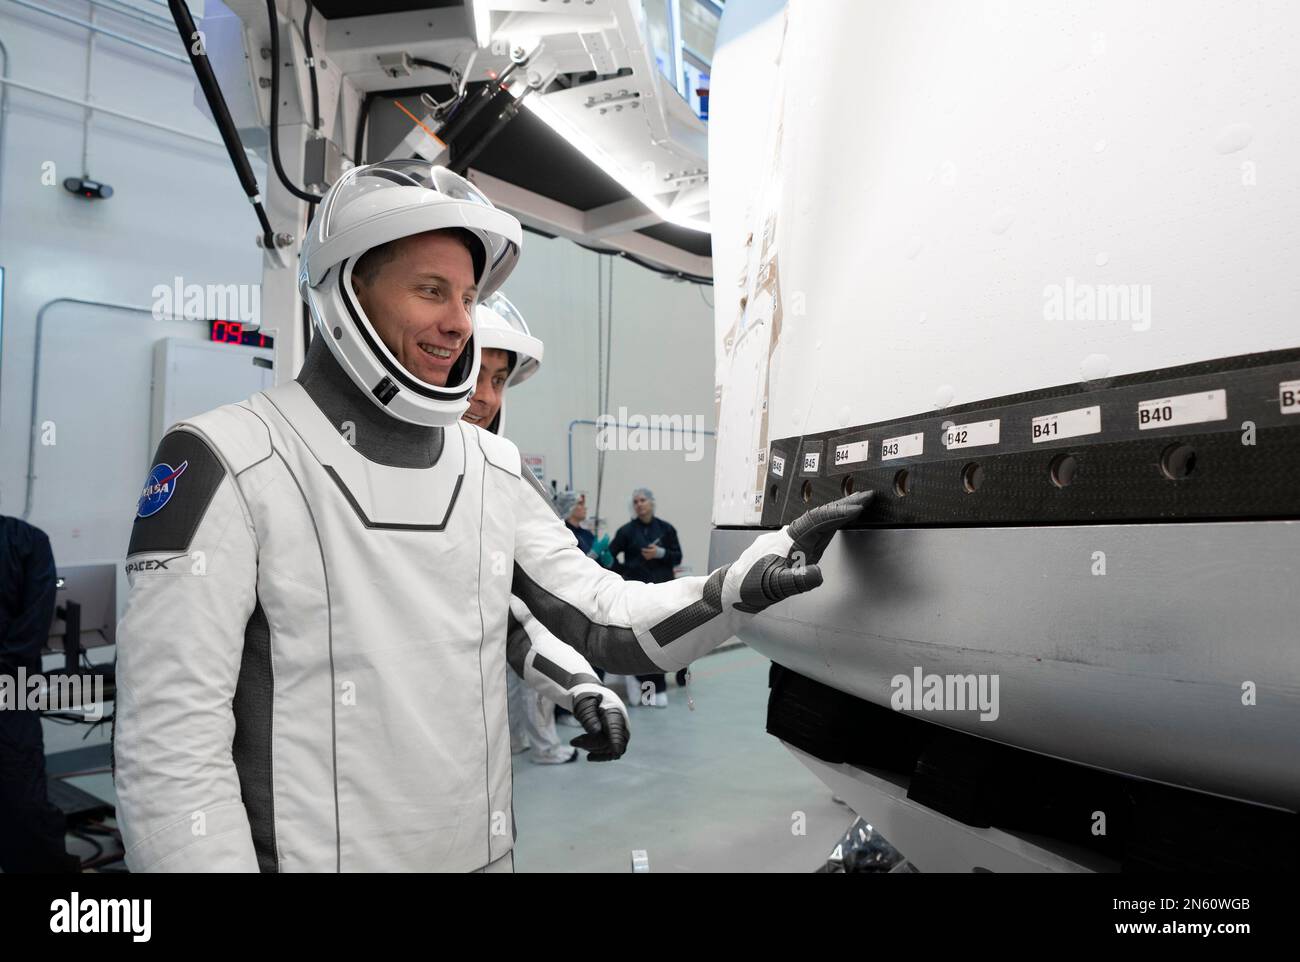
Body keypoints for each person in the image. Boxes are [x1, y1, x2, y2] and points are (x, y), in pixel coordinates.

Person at [112, 159, 872, 873]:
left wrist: (739, 586)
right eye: (430, 291)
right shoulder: (228, 457)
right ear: (346, 291)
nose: (460, 323)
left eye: (468, 298)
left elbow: (604, 615)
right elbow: (170, 750)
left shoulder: (491, 468)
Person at [467, 292, 626, 765]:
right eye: (473, 374)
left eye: (498, 381)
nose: (486, 398)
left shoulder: (497, 478)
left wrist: (584, 687)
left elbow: (521, 623)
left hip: (475, 785)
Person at [0, 515, 77, 873]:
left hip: (13, 691)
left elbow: (33, 623)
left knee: (22, 799)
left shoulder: (27, 541)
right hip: (13, 689)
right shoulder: (28, 540)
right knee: (21, 793)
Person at [608, 488, 682, 707]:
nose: (639, 504)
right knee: (640, 640)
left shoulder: (666, 530)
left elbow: (677, 557)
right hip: (637, 595)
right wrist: (624, 572)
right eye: (636, 501)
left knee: (660, 641)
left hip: (661, 594)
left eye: (643, 500)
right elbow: (609, 555)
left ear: (652, 503)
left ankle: (657, 686)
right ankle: (638, 679)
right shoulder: (626, 532)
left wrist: (661, 554)